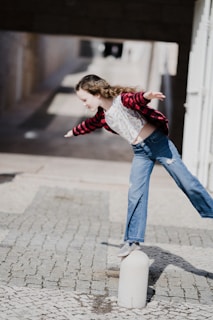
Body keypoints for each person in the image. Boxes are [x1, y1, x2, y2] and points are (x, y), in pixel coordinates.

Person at [64, 74, 213, 257]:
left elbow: (136, 99)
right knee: (135, 194)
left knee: (186, 182)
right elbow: (89, 124)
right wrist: (73, 131)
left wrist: (147, 96)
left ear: (96, 93)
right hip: (140, 153)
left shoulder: (121, 100)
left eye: (84, 99)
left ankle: (210, 210)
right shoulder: (102, 116)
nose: (84, 104)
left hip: (159, 145)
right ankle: (132, 240)